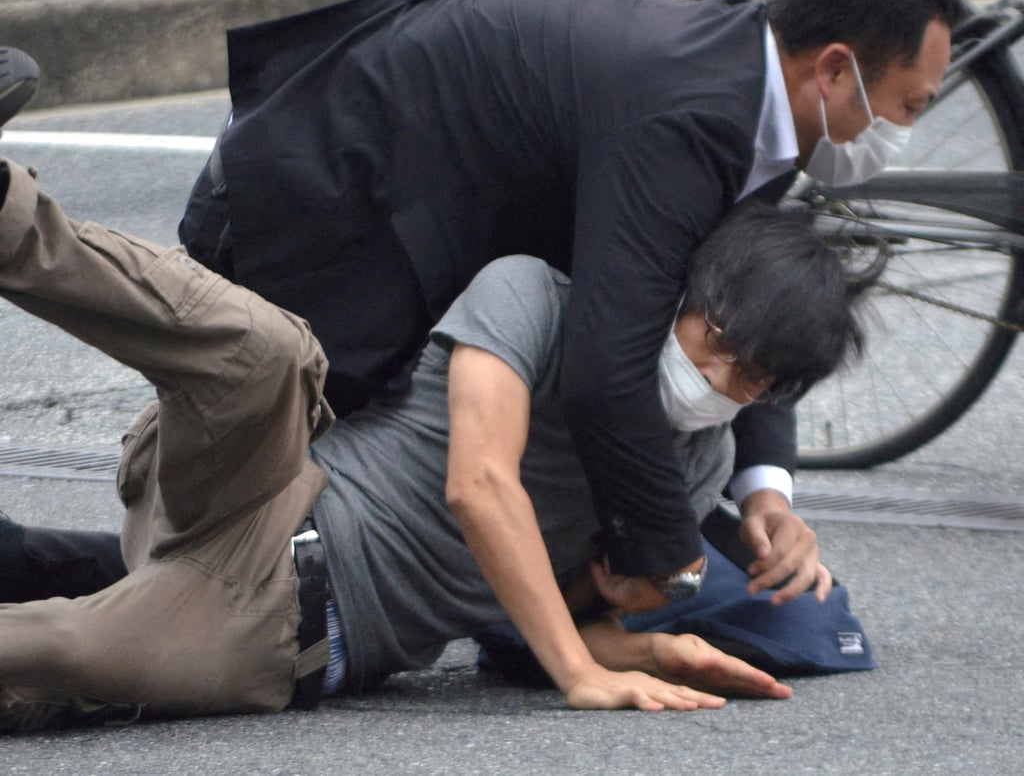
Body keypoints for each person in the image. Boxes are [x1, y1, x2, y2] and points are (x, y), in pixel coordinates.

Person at [177, 0, 963, 596]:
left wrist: (765, 495)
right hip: (297, 205)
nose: (899, 133)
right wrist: (672, 565)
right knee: (237, 541)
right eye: (906, 106)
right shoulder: (692, 119)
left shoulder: (751, 94)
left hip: (387, 211)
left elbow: (749, 302)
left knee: (262, 554)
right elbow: (604, 372)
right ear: (833, 70)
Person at [0, 130, 878, 730]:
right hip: (262, 483)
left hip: (279, 626)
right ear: (682, 295)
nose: (717, 379)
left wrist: (642, 637)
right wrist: (580, 668)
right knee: (267, 350)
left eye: (752, 378)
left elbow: (527, 631)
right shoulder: (534, 296)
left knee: (62, 652)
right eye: (714, 342)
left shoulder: (694, 464)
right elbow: (478, 483)